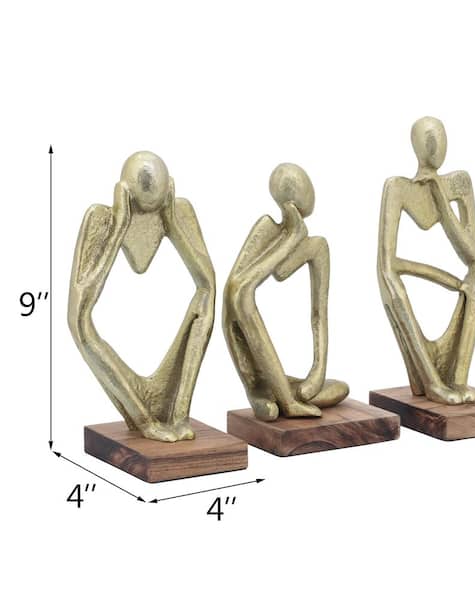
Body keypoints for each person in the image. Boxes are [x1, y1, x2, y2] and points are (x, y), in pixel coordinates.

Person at [68, 151, 215, 441]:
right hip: (128, 390)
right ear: (124, 193)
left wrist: (172, 222)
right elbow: (78, 313)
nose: (149, 218)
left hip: (176, 400)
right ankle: (144, 421)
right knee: (81, 325)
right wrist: (119, 228)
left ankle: (180, 415)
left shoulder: (179, 211)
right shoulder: (101, 218)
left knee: (206, 299)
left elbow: (208, 284)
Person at [223, 163, 348, 422]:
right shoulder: (266, 228)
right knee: (241, 296)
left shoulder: (317, 247)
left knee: (338, 388)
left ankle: (283, 393)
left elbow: (319, 313)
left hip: (283, 378)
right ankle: (283, 400)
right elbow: (237, 292)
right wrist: (291, 238)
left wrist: (318, 370)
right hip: (248, 361)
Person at [377, 117, 475, 404]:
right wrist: (447, 280)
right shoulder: (397, 187)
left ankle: (458, 378)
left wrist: (442, 200)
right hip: (395, 280)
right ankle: (432, 384)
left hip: (456, 274)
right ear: (415, 146)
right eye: (428, 140)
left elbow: (473, 255)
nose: (436, 147)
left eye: (440, 138)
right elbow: (388, 263)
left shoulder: (460, 183)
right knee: (391, 282)